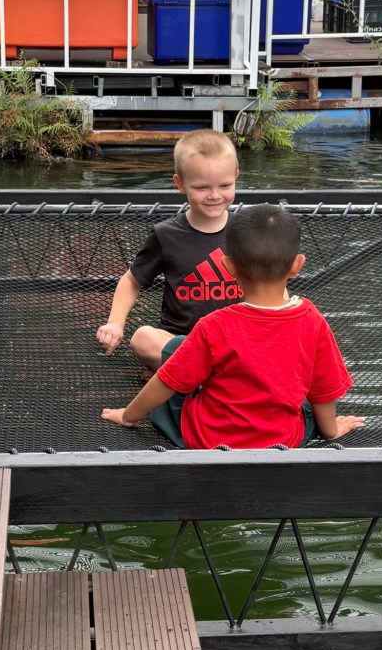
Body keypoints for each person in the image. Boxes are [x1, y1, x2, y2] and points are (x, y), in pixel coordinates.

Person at [101, 203, 364, 449]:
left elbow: (168, 381)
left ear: (229, 267)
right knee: (310, 394)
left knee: (177, 350)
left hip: (207, 438)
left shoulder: (214, 325)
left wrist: (127, 415)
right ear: (297, 265)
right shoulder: (312, 320)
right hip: (283, 440)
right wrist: (330, 431)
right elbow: (325, 388)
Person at [96, 130, 240, 376]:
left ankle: (181, 377)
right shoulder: (166, 235)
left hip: (235, 341)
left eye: (225, 185)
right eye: (202, 187)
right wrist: (115, 322)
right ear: (180, 185)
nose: (215, 195)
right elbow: (132, 280)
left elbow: (272, 281)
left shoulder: (246, 231)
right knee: (142, 339)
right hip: (180, 340)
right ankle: (206, 377)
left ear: (236, 177)